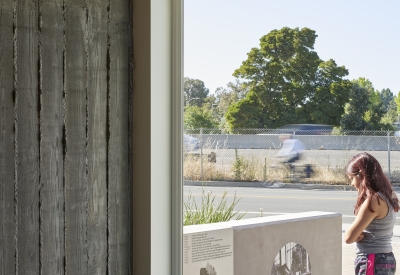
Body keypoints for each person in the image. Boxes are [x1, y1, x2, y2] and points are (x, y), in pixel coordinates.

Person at [344, 152, 399, 275]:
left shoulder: (374, 200)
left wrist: (356, 232)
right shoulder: (389, 194)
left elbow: (348, 237)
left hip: (371, 260)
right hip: (386, 258)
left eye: (351, 178)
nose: (352, 184)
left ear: (361, 175)